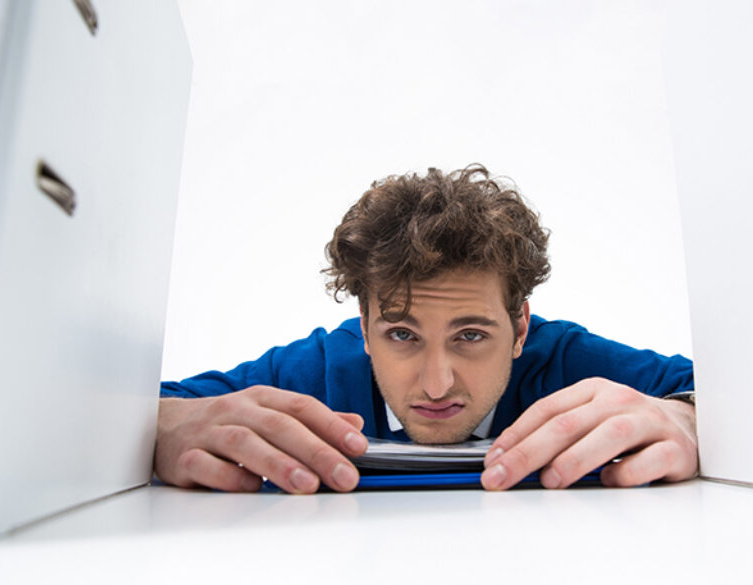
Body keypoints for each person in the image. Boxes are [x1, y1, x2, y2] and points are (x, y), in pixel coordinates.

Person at [156, 164, 697, 495]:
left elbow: (720, 396)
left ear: (520, 328)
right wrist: (161, 428)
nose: (437, 385)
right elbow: (160, 407)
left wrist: (690, 417)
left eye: (471, 336)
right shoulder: (314, 373)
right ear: (363, 330)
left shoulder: (567, 366)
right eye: (402, 335)